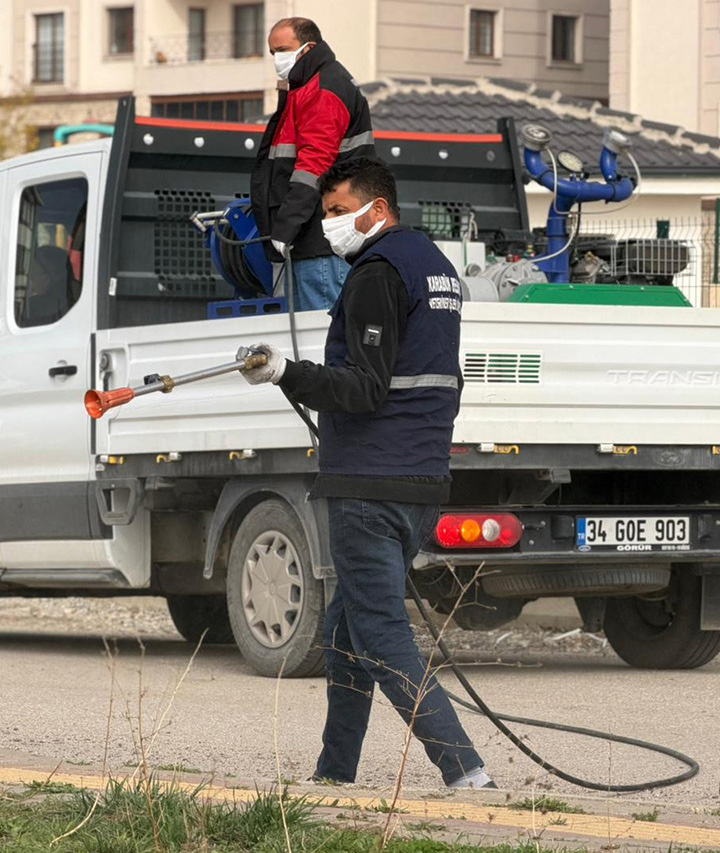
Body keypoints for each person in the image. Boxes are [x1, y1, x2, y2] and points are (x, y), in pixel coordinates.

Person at [240, 159, 494, 790]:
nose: (328, 225)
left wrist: (285, 373)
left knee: (379, 632)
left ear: (375, 210)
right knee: (346, 628)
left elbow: (365, 387)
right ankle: (334, 772)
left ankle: (466, 770)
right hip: (420, 475)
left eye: (335, 211)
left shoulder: (376, 274)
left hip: (368, 481)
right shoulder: (433, 265)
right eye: (325, 212)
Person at [251, 17, 375, 312]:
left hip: (318, 243)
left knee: (320, 339)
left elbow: (313, 166)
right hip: (318, 240)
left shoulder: (322, 90)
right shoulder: (311, 87)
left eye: (283, 49)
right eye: (272, 53)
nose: (277, 59)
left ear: (308, 49)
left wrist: (285, 226)